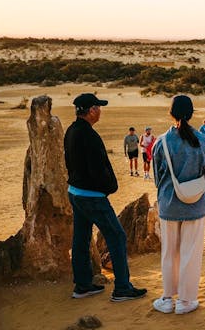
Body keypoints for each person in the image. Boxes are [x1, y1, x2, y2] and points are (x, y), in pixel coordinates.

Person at [64, 93, 147, 302]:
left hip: (75, 193)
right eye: (98, 107)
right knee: (117, 236)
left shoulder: (71, 131)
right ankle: (122, 288)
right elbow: (98, 168)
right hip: (92, 196)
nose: (100, 111)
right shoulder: (89, 135)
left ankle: (82, 285)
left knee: (81, 239)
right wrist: (109, 187)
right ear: (91, 110)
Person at [151, 95, 205, 315]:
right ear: (191, 113)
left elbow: (157, 177)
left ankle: (167, 298)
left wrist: (165, 195)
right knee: (190, 253)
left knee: (169, 252)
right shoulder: (203, 141)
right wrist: (203, 195)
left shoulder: (162, 141)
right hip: (195, 205)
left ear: (171, 113)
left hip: (169, 203)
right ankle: (186, 301)